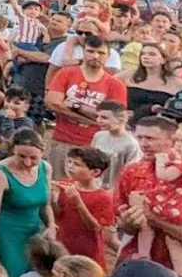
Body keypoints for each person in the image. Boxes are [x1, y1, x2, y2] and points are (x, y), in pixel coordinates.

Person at [113, 114, 182, 277]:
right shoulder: (131, 172)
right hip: (139, 266)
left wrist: (152, 217)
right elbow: (123, 225)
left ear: (172, 141)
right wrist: (128, 221)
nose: (143, 144)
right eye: (139, 137)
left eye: (150, 138)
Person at [45, 33, 126, 176]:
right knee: (58, 184)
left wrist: (76, 106)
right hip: (63, 140)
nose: (95, 56)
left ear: (108, 56)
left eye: (101, 53)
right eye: (91, 51)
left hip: (96, 145)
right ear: (83, 52)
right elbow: (52, 102)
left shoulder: (115, 85)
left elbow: (114, 118)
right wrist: (92, 118)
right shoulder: (66, 73)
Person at [0, 128, 54, 277]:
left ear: (42, 153)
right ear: (12, 151)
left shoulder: (45, 168)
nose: (27, 162)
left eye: (33, 158)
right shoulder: (0, 173)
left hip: (33, 232)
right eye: (21, 156)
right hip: (7, 233)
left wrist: (51, 226)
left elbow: (45, 205)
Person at [52, 146, 115, 269]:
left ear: (95, 172)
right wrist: (53, 200)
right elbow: (58, 215)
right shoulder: (66, 185)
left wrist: (79, 203)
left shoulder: (103, 197)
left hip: (87, 252)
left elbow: (95, 227)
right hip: (62, 246)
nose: (70, 166)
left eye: (77, 164)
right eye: (69, 161)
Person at [90, 100, 141, 187]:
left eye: (104, 118)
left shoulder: (131, 144)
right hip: (96, 185)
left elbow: (131, 172)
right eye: (97, 116)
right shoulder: (99, 136)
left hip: (114, 188)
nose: (99, 120)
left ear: (121, 120)